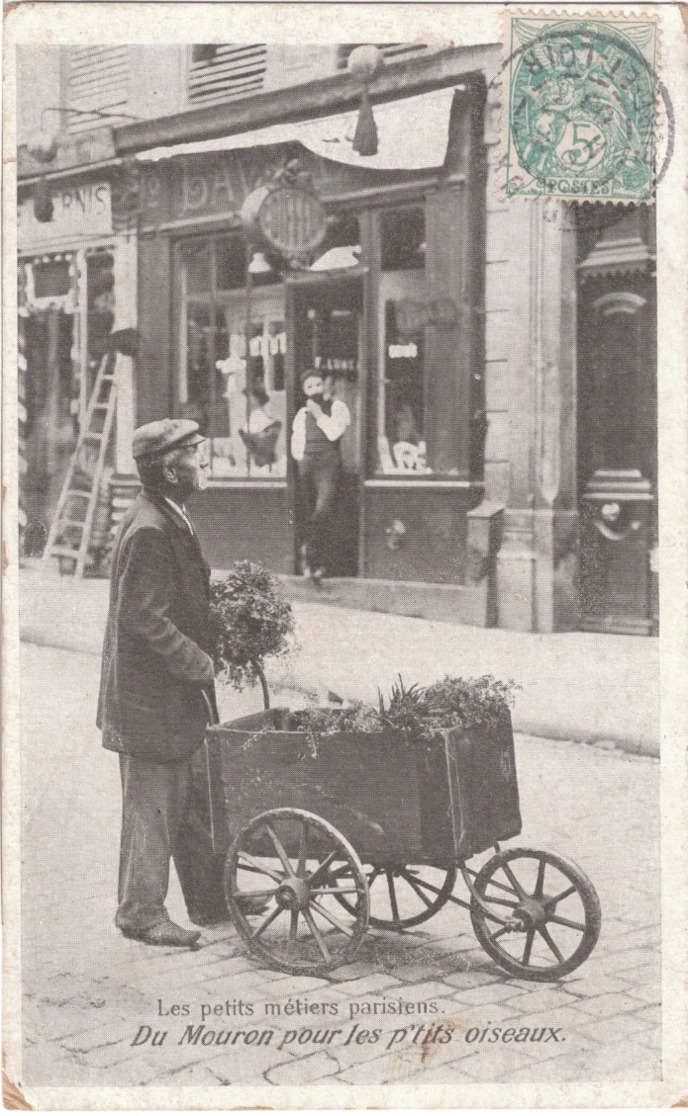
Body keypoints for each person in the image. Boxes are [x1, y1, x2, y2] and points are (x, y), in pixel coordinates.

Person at [97, 419, 221, 947]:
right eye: (198, 454)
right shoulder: (151, 528)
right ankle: (140, 912)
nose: (206, 461)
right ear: (172, 470)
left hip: (168, 698)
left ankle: (212, 900)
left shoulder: (168, 515)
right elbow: (143, 618)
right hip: (149, 701)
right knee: (154, 802)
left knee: (192, 795)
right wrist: (200, 662)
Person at [290, 369, 350, 582]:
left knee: (322, 512)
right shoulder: (301, 414)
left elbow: (335, 433)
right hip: (307, 466)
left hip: (328, 465)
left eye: (317, 385)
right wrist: (301, 459)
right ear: (304, 391)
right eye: (309, 387)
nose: (314, 390)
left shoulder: (338, 407)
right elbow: (296, 441)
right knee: (308, 513)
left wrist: (319, 415)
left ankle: (316, 557)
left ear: (325, 385)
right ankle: (311, 563)